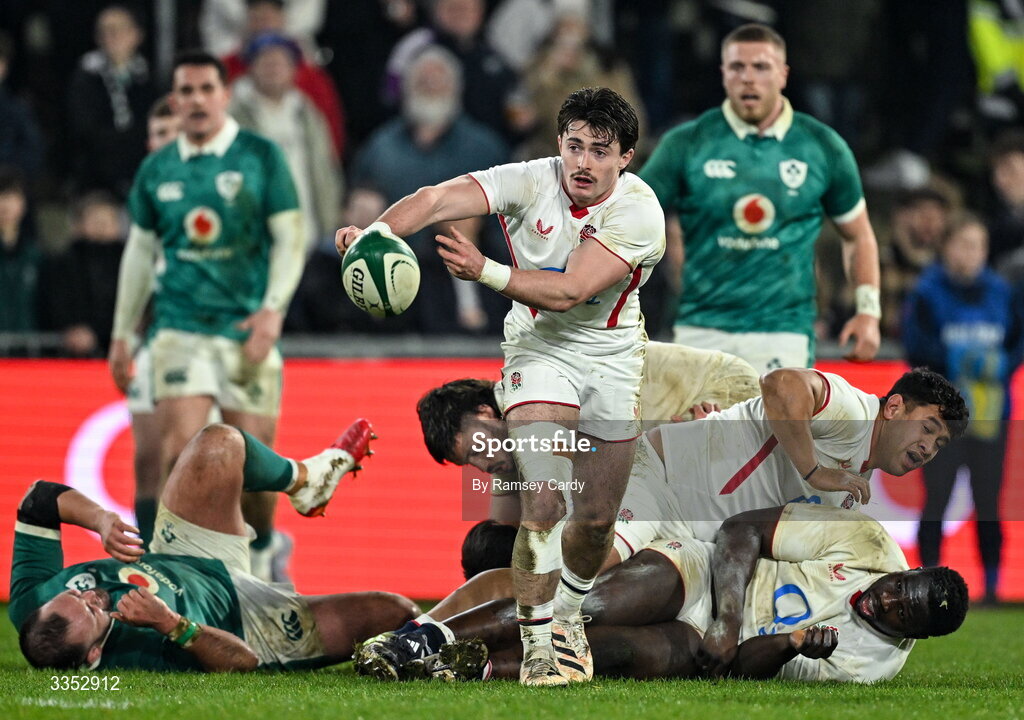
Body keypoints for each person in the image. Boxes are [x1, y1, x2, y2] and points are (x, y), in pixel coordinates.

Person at [336, 87, 665, 686]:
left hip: (612, 358)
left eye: (600, 150)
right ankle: (540, 643)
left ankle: (565, 616)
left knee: (593, 521)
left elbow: (568, 290)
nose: (584, 163)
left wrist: (482, 270)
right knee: (541, 500)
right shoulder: (530, 179)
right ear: (558, 144)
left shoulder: (640, 212)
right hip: (537, 350)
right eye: (574, 146)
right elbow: (436, 198)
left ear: (626, 157)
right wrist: (376, 235)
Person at [402, 365, 968, 625]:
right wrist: (813, 467)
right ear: (894, 408)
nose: (928, 448)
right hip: (659, 483)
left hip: (687, 531)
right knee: (583, 568)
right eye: (927, 428)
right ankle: (428, 633)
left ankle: (457, 625)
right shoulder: (852, 411)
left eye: (939, 444)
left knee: (613, 603)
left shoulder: (855, 488)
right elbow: (781, 385)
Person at [354, 504, 969, 684]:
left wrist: (787, 644)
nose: (884, 602)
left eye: (898, 615)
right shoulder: (864, 539)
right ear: (905, 571)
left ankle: (462, 671)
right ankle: (416, 638)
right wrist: (730, 616)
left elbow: (756, 671)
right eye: (897, 589)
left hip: (713, 650)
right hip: (703, 575)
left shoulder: (872, 665)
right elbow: (741, 530)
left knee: (601, 654)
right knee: (583, 604)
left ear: (911, 635)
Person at [107, 51, 306, 584]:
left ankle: (262, 551)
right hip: (179, 327)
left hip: (245, 327)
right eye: (185, 92)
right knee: (179, 451)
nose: (195, 100)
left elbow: (291, 236)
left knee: (255, 473)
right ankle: (176, 575)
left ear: (223, 94)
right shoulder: (158, 168)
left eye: (204, 89)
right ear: (175, 100)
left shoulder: (259, 156)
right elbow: (139, 254)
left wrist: (272, 313)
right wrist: (123, 333)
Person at [9, 419, 417, 672]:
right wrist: (171, 624)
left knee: (218, 443)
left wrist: (100, 519)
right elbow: (244, 661)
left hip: (181, 552)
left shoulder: (31, 601)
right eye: (94, 612)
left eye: (76, 595)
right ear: (95, 654)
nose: (95, 596)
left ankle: (306, 481)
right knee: (394, 613)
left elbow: (38, 501)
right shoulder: (135, 661)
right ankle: (462, 651)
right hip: (245, 620)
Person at [638, 23, 881, 372]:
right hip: (700, 329)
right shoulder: (686, 144)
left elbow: (858, 235)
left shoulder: (822, 146)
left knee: (775, 428)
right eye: (738, 67)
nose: (748, 78)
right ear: (724, 74)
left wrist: (868, 311)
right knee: (696, 429)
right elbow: (629, 214)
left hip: (784, 331)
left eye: (761, 67)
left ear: (783, 75)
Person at [903, 214, 1023, 604]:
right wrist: (953, 360)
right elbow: (914, 348)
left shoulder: (1004, 292)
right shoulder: (926, 292)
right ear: (947, 247)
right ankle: (928, 582)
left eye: (979, 246)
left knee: (988, 500)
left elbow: (1018, 341)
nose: (972, 254)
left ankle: (991, 588)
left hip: (991, 415)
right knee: (936, 497)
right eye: (964, 245)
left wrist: (1000, 364)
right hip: (941, 419)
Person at [349, 46, 509, 334]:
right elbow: (355, 206)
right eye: (423, 81)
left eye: (440, 81)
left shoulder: (485, 148)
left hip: (465, 278)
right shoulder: (379, 148)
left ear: (457, 89)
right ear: (407, 88)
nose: (431, 87)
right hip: (390, 279)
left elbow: (509, 228)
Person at [231, 32, 342, 250]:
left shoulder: (308, 114)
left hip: (311, 234)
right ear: (251, 68)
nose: (273, 68)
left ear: (294, 69)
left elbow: (327, 169)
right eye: (265, 61)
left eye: (280, 62)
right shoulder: (235, 118)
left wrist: (332, 220)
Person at [67, 5, 157, 198]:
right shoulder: (85, 77)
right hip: (95, 177)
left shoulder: (149, 78)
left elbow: (152, 124)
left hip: (140, 171)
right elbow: (84, 129)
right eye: (104, 31)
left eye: (118, 30)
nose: (111, 36)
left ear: (137, 35)